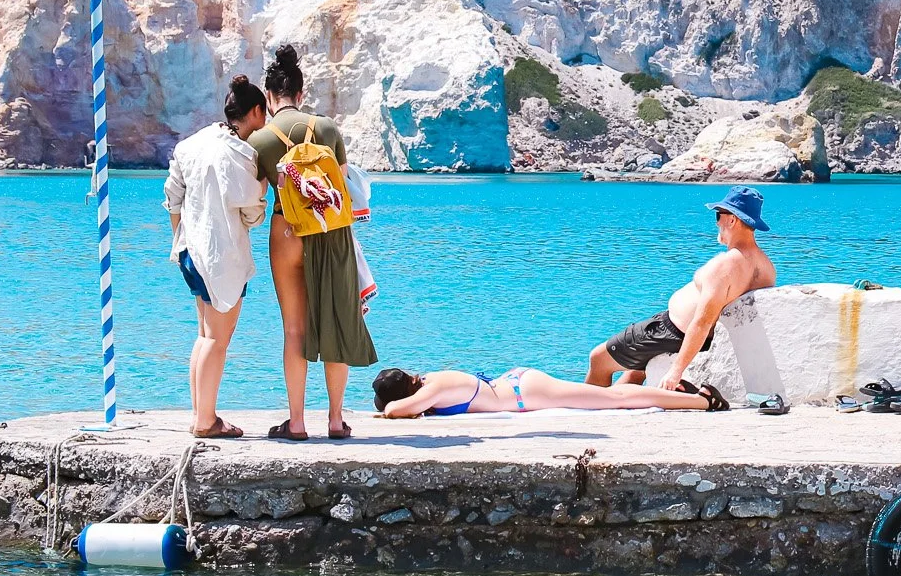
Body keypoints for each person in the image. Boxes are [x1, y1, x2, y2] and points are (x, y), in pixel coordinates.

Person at [247, 44, 376, 440]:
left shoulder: (261, 140)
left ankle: (297, 422)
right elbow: (343, 185)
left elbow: (254, 198)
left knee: (293, 330)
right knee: (336, 322)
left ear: (269, 98)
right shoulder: (328, 129)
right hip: (329, 232)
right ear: (302, 94)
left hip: (286, 232)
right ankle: (336, 420)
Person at [587, 185, 777, 392]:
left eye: (718, 216)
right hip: (682, 334)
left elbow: (703, 320)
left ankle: (585, 411)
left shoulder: (726, 264)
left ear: (732, 220)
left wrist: (675, 372)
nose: (717, 223)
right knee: (634, 371)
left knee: (598, 359)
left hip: (670, 332)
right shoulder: (766, 266)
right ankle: (612, 407)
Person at [163, 76, 270, 439]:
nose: (265, 123)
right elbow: (253, 212)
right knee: (217, 340)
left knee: (204, 335)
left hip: (189, 251)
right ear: (255, 112)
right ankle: (206, 421)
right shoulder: (240, 154)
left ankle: (200, 414)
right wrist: (264, 188)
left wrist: (179, 236)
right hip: (219, 257)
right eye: (264, 115)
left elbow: (172, 197)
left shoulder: (191, 144)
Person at [373, 366, 725, 417]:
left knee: (619, 401)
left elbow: (394, 412)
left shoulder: (431, 390)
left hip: (529, 394)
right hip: (519, 384)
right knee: (611, 398)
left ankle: (702, 400)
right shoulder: (432, 379)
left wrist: (388, 409)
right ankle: (671, 388)